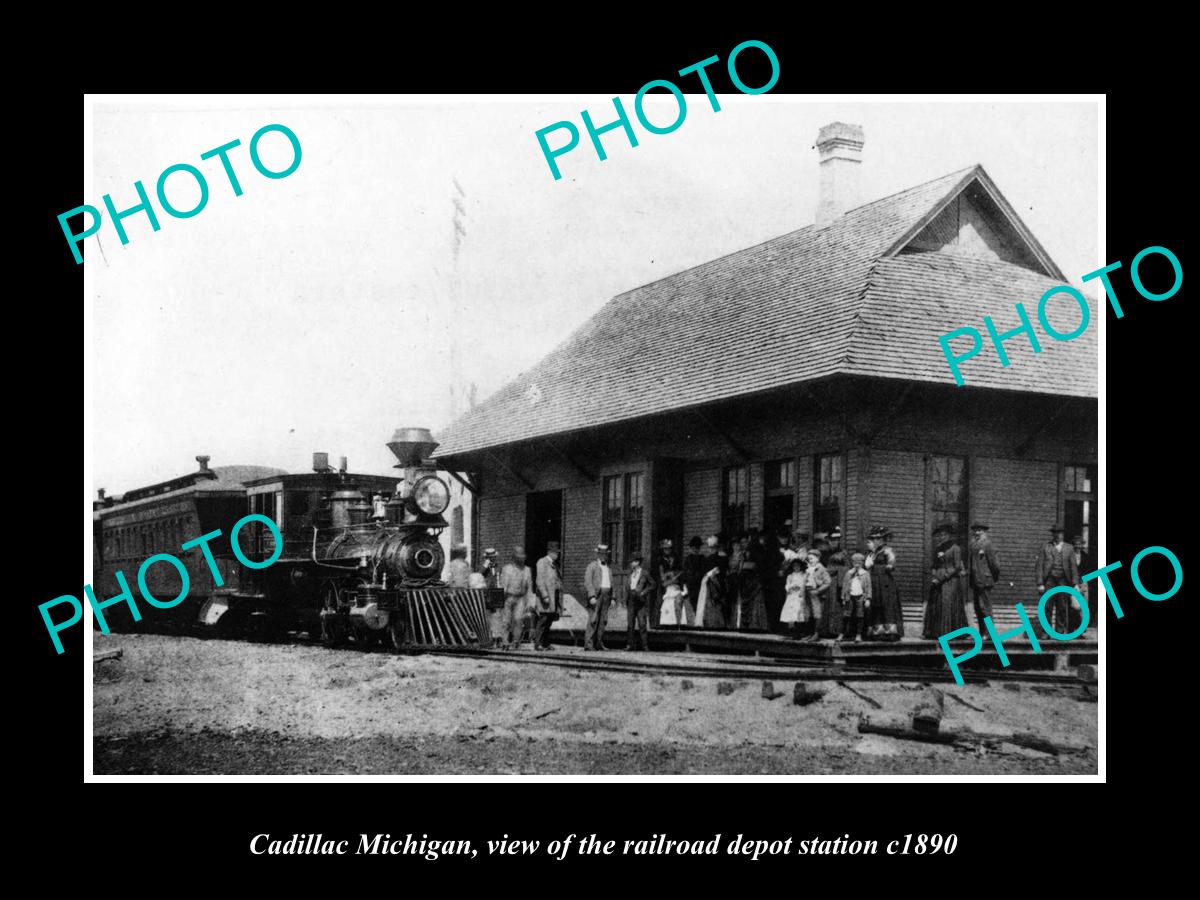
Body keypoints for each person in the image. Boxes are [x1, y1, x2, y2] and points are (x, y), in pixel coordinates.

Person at [923, 523, 968, 639]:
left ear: (950, 535)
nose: (942, 537)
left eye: (944, 534)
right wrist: (934, 574)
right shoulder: (938, 548)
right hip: (938, 580)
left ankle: (950, 632)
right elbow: (934, 563)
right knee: (936, 604)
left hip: (950, 581)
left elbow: (957, 567)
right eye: (940, 535)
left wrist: (943, 577)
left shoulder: (955, 548)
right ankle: (936, 632)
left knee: (948, 604)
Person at [1035, 524, 1080, 638]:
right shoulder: (1046, 547)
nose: (1057, 535)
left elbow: (1073, 567)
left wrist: (1075, 583)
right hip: (1049, 580)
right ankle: (1046, 632)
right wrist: (1040, 583)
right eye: (1055, 533)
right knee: (1047, 606)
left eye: (1059, 533)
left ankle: (1059, 631)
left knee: (1062, 606)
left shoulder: (1069, 548)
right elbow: (1039, 566)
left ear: (1062, 534)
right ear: (1053, 534)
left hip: (1063, 580)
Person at [863, 528, 903, 641]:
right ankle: (876, 632)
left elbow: (891, 564)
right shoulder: (871, 553)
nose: (876, 541)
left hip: (885, 582)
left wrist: (882, 566)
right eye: (874, 539)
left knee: (886, 604)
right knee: (875, 604)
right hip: (873, 581)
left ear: (882, 540)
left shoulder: (887, 550)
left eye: (878, 539)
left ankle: (889, 632)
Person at [967, 523, 1001, 630]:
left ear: (985, 532)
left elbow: (995, 565)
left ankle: (989, 632)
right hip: (975, 581)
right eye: (975, 531)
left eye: (979, 531)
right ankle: (982, 631)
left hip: (985, 580)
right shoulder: (973, 545)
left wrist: (992, 578)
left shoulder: (988, 545)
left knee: (985, 607)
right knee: (978, 608)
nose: (977, 533)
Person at [499, 546, 534, 649]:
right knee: (506, 621)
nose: (522, 558)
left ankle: (516, 641)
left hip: (520, 598)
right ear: (514, 556)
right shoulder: (507, 569)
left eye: (523, 555)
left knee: (518, 620)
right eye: (520, 555)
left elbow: (529, 587)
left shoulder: (527, 570)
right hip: (508, 597)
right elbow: (503, 586)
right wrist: (501, 600)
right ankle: (505, 641)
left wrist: (530, 602)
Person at [583, 544, 614, 650]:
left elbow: (611, 582)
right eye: (601, 554)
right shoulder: (592, 566)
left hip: (607, 595)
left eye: (605, 554)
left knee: (603, 620)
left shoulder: (608, 568)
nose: (603, 556)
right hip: (597, 595)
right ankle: (589, 644)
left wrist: (613, 597)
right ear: (597, 554)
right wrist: (591, 596)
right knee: (593, 619)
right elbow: (588, 582)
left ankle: (599, 643)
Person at [534, 541, 563, 652]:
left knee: (549, 621)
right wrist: (545, 595)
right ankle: (538, 644)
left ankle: (545, 643)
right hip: (545, 598)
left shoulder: (554, 564)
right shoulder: (542, 562)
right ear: (550, 552)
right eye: (556, 552)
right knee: (543, 620)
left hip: (553, 597)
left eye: (558, 553)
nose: (557, 555)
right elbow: (539, 581)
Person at [738, 531, 770, 631]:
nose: (744, 544)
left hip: (754, 579)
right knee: (747, 603)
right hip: (746, 580)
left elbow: (757, 564)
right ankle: (747, 625)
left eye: (746, 541)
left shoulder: (756, 550)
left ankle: (756, 625)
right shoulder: (744, 553)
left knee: (756, 602)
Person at [625, 552, 656, 650]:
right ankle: (630, 645)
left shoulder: (644, 573)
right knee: (630, 624)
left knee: (642, 623)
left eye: (632, 562)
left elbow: (653, 584)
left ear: (637, 562)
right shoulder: (630, 573)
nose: (631, 564)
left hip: (640, 600)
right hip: (631, 599)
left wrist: (644, 592)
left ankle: (645, 645)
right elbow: (627, 586)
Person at [838, 552, 872, 642]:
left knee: (860, 615)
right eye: (855, 563)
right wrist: (843, 597)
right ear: (852, 563)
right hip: (850, 596)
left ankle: (858, 634)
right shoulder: (848, 573)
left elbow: (868, 587)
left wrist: (868, 599)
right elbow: (845, 586)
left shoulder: (865, 574)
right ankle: (842, 634)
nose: (857, 565)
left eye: (859, 563)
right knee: (846, 615)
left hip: (860, 596)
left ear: (862, 563)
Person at [801, 551, 832, 642]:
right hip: (808, 592)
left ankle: (816, 633)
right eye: (809, 559)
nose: (810, 561)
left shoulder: (821, 569)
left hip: (817, 594)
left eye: (812, 558)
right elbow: (805, 581)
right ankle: (810, 633)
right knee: (809, 613)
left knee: (817, 614)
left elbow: (827, 582)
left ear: (818, 559)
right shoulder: (809, 569)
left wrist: (818, 591)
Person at [779, 556, 808, 639]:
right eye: (794, 566)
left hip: (799, 595)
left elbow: (804, 584)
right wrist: (790, 587)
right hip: (792, 595)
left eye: (798, 566)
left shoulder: (804, 575)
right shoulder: (790, 576)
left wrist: (800, 589)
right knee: (792, 613)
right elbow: (787, 585)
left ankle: (800, 632)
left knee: (799, 612)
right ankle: (793, 632)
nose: (796, 568)